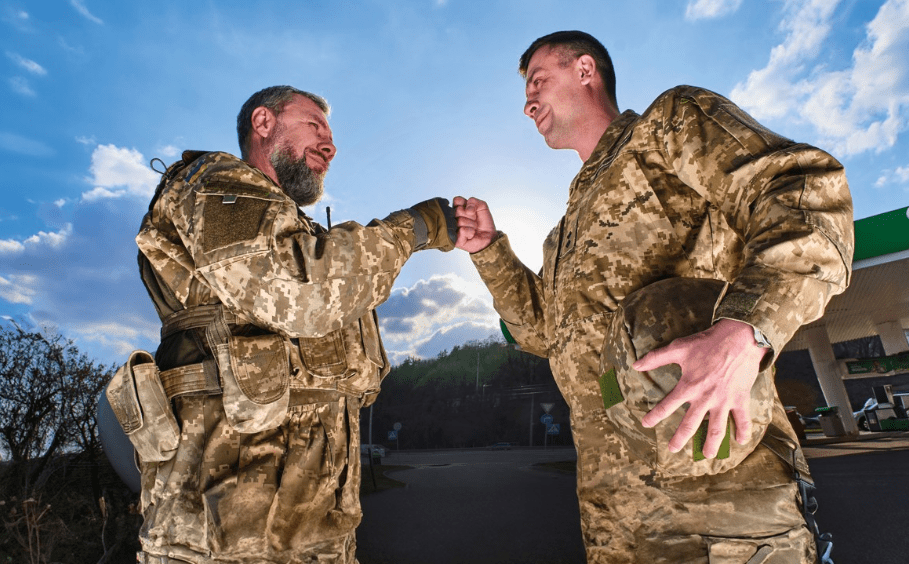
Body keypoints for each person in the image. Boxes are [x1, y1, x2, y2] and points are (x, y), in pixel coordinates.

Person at [454, 31, 851, 563]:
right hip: (615, 521)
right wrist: (489, 252)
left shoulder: (667, 127)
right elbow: (543, 334)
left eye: (538, 81)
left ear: (586, 70)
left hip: (717, 516)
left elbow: (804, 194)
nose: (528, 103)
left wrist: (746, 331)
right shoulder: (564, 231)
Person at [115, 85, 455, 564]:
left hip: (316, 535)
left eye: (331, 135)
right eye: (314, 125)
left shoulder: (299, 233)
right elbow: (303, 292)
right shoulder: (214, 186)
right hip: (223, 538)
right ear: (263, 123)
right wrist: (418, 227)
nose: (330, 145)